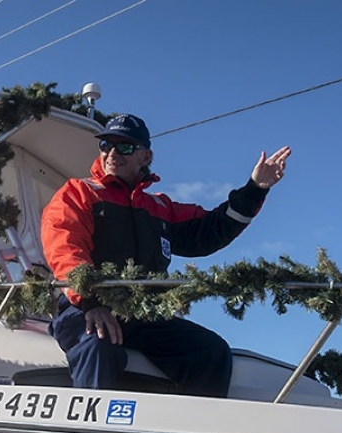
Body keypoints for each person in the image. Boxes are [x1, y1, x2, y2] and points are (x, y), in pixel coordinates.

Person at [41, 114, 290, 397]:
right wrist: (89, 301)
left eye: (124, 147)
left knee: (210, 351)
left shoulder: (159, 207)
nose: (112, 153)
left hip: (142, 314)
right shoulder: (79, 193)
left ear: (145, 156)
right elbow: (65, 245)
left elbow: (209, 231)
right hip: (83, 308)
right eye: (106, 145)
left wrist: (255, 189)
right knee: (98, 344)